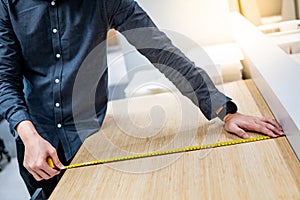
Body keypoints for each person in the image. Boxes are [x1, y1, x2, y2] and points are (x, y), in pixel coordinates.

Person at [0, 0, 284, 198]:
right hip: (34, 139)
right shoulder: (8, 5)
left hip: (89, 140)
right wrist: (29, 136)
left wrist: (225, 111)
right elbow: (5, 77)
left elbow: (161, 50)